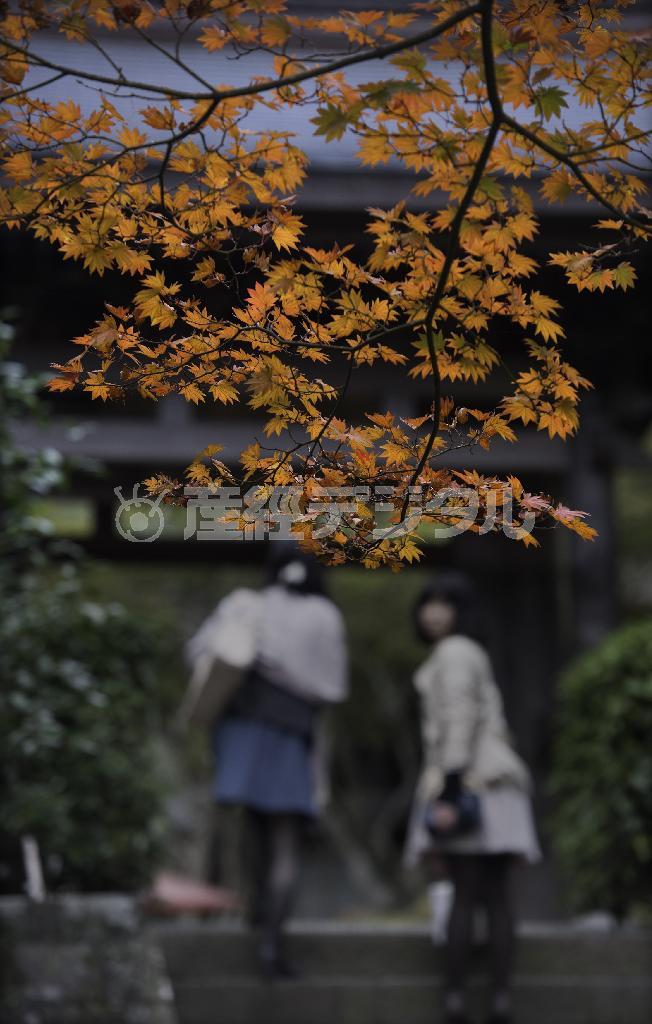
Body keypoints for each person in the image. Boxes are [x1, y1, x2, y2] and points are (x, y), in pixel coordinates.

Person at [193, 544, 348, 979]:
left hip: (241, 730)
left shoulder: (245, 603)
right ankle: (271, 943)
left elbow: (201, 654)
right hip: (289, 733)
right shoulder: (324, 615)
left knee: (255, 829)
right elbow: (333, 688)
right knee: (285, 841)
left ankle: (257, 921)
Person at [404, 572, 540, 1024]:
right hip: (496, 783)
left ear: (462, 612)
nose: (434, 610)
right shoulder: (470, 651)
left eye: (446, 602)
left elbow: (459, 716)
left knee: (464, 893)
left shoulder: (455, 651)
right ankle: (499, 999)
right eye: (429, 601)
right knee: (497, 897)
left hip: (470, 784)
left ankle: (456, 998)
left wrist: (450, 785)